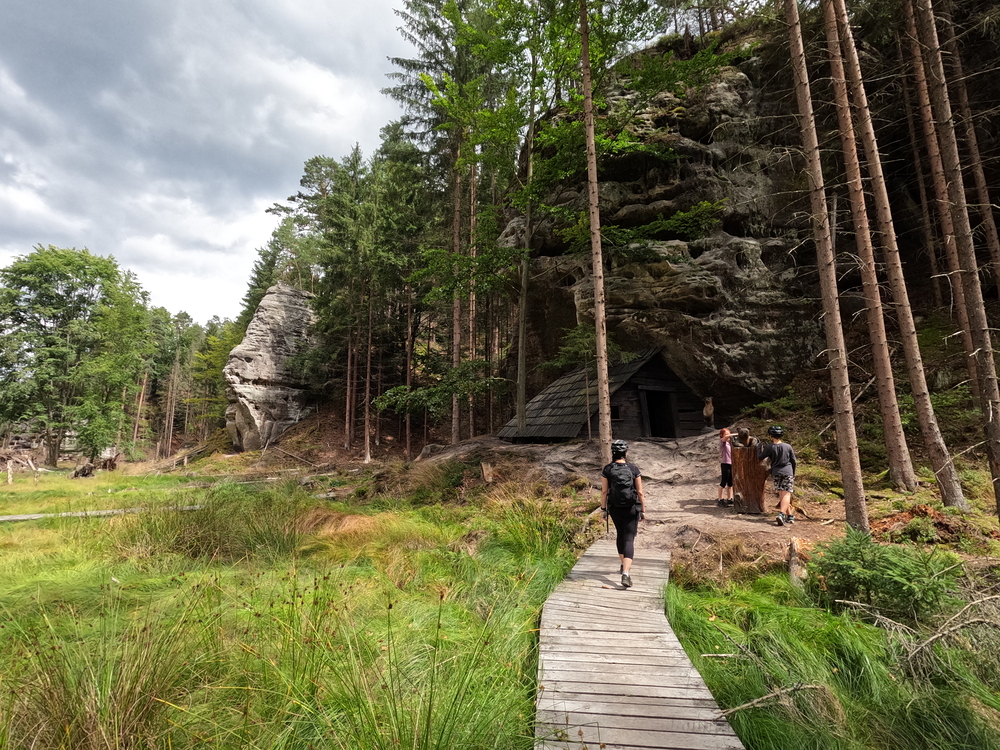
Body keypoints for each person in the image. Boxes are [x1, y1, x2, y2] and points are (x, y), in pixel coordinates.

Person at [600, 439, 646, 588]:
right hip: (631, 507)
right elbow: (640, 492)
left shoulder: (607, 469)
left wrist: (603, 509)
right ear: (625, 453)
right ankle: (626, 572)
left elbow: (604, 491)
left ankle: (623, 565)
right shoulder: (633, 469)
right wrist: (643, 509)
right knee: (629, 538)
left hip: (614, 507)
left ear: (613, 453)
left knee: (620, 534)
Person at [757, 425, 797, 525]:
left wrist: (758, 448)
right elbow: (794, 461)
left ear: (771, 436)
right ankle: (782, 514)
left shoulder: (770, 447)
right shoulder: (788, 446)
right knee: (786, 493)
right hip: (788, 471)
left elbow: (760, 457)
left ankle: (789, 516)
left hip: (776, 472)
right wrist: (793, 473)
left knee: (782, 494)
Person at [717, 428, 734, 506]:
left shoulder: (731, 443)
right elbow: (725, 438)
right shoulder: (722, 442)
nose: (727, 435)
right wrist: (737, 434)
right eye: (725, 433)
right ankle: (720, 499)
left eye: (728, 433)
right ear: (722, 435)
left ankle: (729, 498)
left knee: (730, 483)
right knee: (723, 482)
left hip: (731, 464)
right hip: (725, 464)